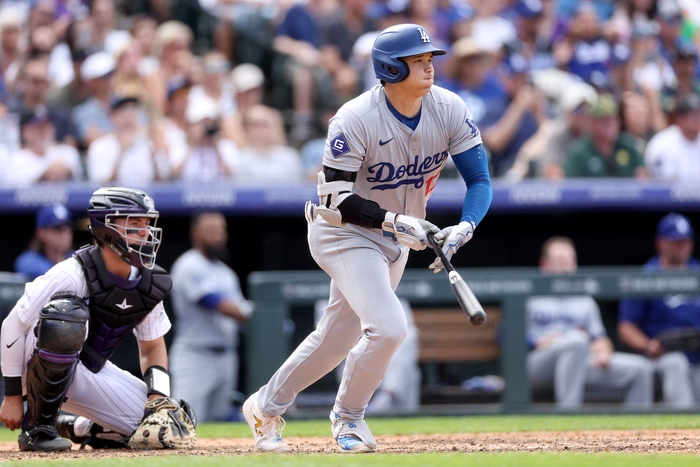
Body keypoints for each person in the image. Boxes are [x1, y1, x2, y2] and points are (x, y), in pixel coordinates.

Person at [242, 23, 492, 454]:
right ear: (391, 68)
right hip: (343, 232)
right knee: (389, 327)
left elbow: (480, 181)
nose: (429, 67)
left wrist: (465, 226)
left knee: (336, 339)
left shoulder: (449, 107)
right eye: (417, 60)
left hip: (398, 236)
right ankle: (349, 418)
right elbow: (337, 198)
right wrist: (396, 220)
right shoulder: (355, 117)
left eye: (429, 59)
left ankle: (264, 406)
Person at [0, 187, 179, 451]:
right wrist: (13, 395)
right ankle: (37, 429)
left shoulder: (148, 282)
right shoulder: (72, 273)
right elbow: (12, 326)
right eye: (134, 223)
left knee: (170, 428)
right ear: (106, 228)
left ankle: (78, 427)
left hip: (86, 370)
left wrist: (157, 401)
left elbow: (152, 347)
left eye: (147, 223)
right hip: (33, 364)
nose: (144, 231)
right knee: (65, 317)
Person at [527, 236, 654, 409]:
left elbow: (600, 339)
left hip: (578, 362)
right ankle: (568, 414)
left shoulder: (584, 300)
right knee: (576, 340)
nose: (567, 266)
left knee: (641, 369)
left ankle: (638, 425)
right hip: (538, 363)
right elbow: (504, 334)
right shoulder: (530, 295)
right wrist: (534, 341)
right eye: (561, 261)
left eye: (571, 261)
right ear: (544, 265)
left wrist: (603, 352)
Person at [170, 212, 253, 423]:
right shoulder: (188, 265)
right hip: (196, 356)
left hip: (227, 355)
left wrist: (263, 321)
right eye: (211, 230)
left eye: (221, 230)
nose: (218, 235)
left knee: (221, 419)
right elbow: (216, 303)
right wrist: (263, 316)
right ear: (195, 234)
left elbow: (241, 315)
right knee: (185, 420)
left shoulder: (226, 273)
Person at [618, 213, 700, 408]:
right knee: (676, 363)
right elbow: (626, 327)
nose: (683, 246)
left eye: (686, 240)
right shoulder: (647, 276)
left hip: (697, 350)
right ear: (661, 243)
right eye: (676, 241)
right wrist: (649, 345)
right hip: (664, 355)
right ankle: (684, 424)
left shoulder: (697, 271)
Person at [564, 93, 649, 178]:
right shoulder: (579, 153)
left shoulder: (627, 146)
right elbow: (571, 183)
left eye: (613, 120)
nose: (610, 126)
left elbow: (642, 177)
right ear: (592, 123)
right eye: (604, 121)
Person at [645, 94, 700, 181]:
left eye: (699, 114)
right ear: (679, 119)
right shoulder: (662, 143)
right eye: (693, 115)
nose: (697, 119)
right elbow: (661, 184)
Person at [14, 204, 73, 280]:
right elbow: (52, 276)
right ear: (41, 233)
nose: (65, 233)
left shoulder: (75, 257)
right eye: (58, 227)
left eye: (68, 226)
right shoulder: (29, 260)